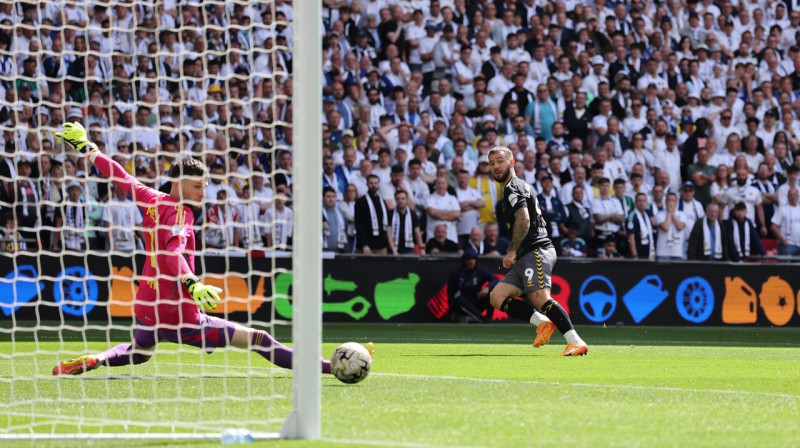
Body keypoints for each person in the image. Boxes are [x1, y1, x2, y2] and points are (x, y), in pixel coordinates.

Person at [52, 122, 343, 377]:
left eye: (204, 186)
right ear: (177, 184)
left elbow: (121, 177)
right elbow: (172, 251)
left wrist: (89, 149)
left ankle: (98, 358)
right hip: (181, 312)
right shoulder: (182, 214)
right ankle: (330, 367)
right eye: (195, 187)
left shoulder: (151, 198)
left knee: (140, 351)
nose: (201, 194)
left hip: (147, 305)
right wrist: (192, 283)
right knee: (259, 339)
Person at [487, 146, 588, 356]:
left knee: (539, 297)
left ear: (511, 162)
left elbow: (524, 219)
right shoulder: (521, 186)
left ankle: (575, 341)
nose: (496, 167)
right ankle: (543, 323)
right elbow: (536, 218)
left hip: (535, 251)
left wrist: (512, 250)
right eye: (492, 163)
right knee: (497, 296)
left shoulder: (513, 188)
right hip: (528, 253)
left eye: (500, 161)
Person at [447, 248, 499, 323]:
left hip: (477, 299)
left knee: (492, 292)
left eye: (473, 259)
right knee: (457, 295)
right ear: (464, 260)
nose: (471, 262)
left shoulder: (480, 271)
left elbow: (495, 279)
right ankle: (483, 320)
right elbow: (450, 292)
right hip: (462, 303)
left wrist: (487, 287)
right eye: (468, 259)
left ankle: (489, 318)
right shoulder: (456, 273)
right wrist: (452, 311)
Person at [354, 174, 394, 254]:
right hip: (367, 245)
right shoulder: (361, 202)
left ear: (379, 184)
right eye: (371, 183)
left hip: (381, 244)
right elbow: (359, 224)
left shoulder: (382, 201)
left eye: (376, 183)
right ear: (367, 184)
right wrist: (364, 244)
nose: (374, 185)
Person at [389, 189, 423, 254]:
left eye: (403, 199)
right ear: (395, 200)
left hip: (408, 250)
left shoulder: (412, 214)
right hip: (393, 250)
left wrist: (421, 249)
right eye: (398, 199)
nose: (400, 201)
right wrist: (393, 250)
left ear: (407, 200)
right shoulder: (390, 214)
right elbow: (388, 233)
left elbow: (417, 232)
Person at [655, 192, 687, 260]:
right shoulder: (659, 214)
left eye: (673, 200)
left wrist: (673, 214)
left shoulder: (683, 215)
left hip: (677, 252)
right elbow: (666, 227)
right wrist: (669, 213)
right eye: (669, 200)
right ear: (665, 202)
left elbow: (680, 227)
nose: (671, 203)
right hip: (663, 253)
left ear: (676, 202)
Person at [770, 188, 800, 256]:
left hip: (799, 245)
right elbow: (773, 227)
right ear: (788, 196)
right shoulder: (782, 209)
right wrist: (782, 241)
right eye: (790, 195)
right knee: (785, 266)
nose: (793, 197)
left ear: (798, 196)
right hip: (787, 245)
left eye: (795, 195)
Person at [626, 192, 655, 260]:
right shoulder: (631, 217)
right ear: (635, 203)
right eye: (639, 201)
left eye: (644, 201)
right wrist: (635, 255)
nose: (642, 203)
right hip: (638, 253)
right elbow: (631, 237)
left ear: (646, 202)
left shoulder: (647, 215)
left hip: (647, 252)